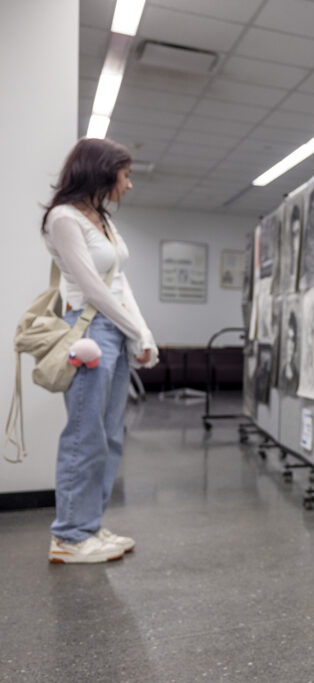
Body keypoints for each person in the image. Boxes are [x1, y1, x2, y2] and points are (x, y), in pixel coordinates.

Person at [41, 138, 159, 563]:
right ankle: (69, 537)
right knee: (84, 435)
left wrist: (142, 334)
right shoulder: (64, 219)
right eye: (124, 175)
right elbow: (91, 287)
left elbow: (119, 284)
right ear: (101, 172)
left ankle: (89, 526)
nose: (128, 185)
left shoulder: (104, 221)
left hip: (115, 332)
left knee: (109, 437)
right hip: (88, 333)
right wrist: (134, 332)